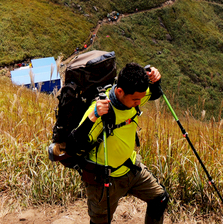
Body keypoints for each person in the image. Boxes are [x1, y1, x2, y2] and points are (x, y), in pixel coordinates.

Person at [70, 63, 168, 224]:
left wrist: (156, 80)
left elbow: (155, 93)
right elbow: (74, 145)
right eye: (136, 99)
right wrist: (94, 116)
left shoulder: (134, 95)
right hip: (103, 179)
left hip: (130, 168)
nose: (139, 102)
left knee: (160, 198)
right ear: (120, 91)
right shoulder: (101, 110)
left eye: (141, 98)